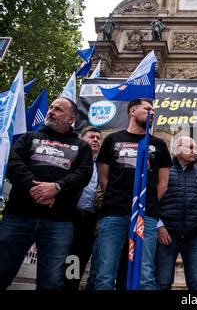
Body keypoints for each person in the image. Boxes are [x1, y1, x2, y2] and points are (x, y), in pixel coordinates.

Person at [0, 97, 93, 290]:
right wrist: (37, 189)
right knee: (2, 269)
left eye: (58, 109)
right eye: (51, 107)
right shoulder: (29, 137)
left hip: (59, 222)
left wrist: (56, 187)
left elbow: (83, 175)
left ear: (71, 118)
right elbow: (14, 163)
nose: (51, 111)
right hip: (18, 217)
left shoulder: (81, 147)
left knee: (51, 281)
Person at [95, 98, 172, 290]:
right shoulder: (112, 140)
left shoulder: (159, 144)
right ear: (132, 111)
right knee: (105, 273)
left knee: (145, 273)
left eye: (154, 110)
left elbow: (163, 185)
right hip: (114, 213)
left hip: (146, 216)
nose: (152, 112)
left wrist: (145, 203)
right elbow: (104, 179)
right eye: (147, 109)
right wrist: (120, 198)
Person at [155, 137, 197, 290]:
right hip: (167, 236)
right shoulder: (164, 171)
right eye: (191, 148)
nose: (196, 152)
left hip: (194, 236)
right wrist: (160, 227)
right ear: (178, 150)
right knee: (163, 281)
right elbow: (153, 201)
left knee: (195, 282)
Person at [63, 126, 102, 290]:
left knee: (78, 258)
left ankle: (70, 286)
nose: (95, 140)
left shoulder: (102, 165)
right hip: (68, 217)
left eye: (98, 138)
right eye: (91, 137)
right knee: (62, 257)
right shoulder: (71, 159)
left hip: (90, 220)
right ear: (81, 138)